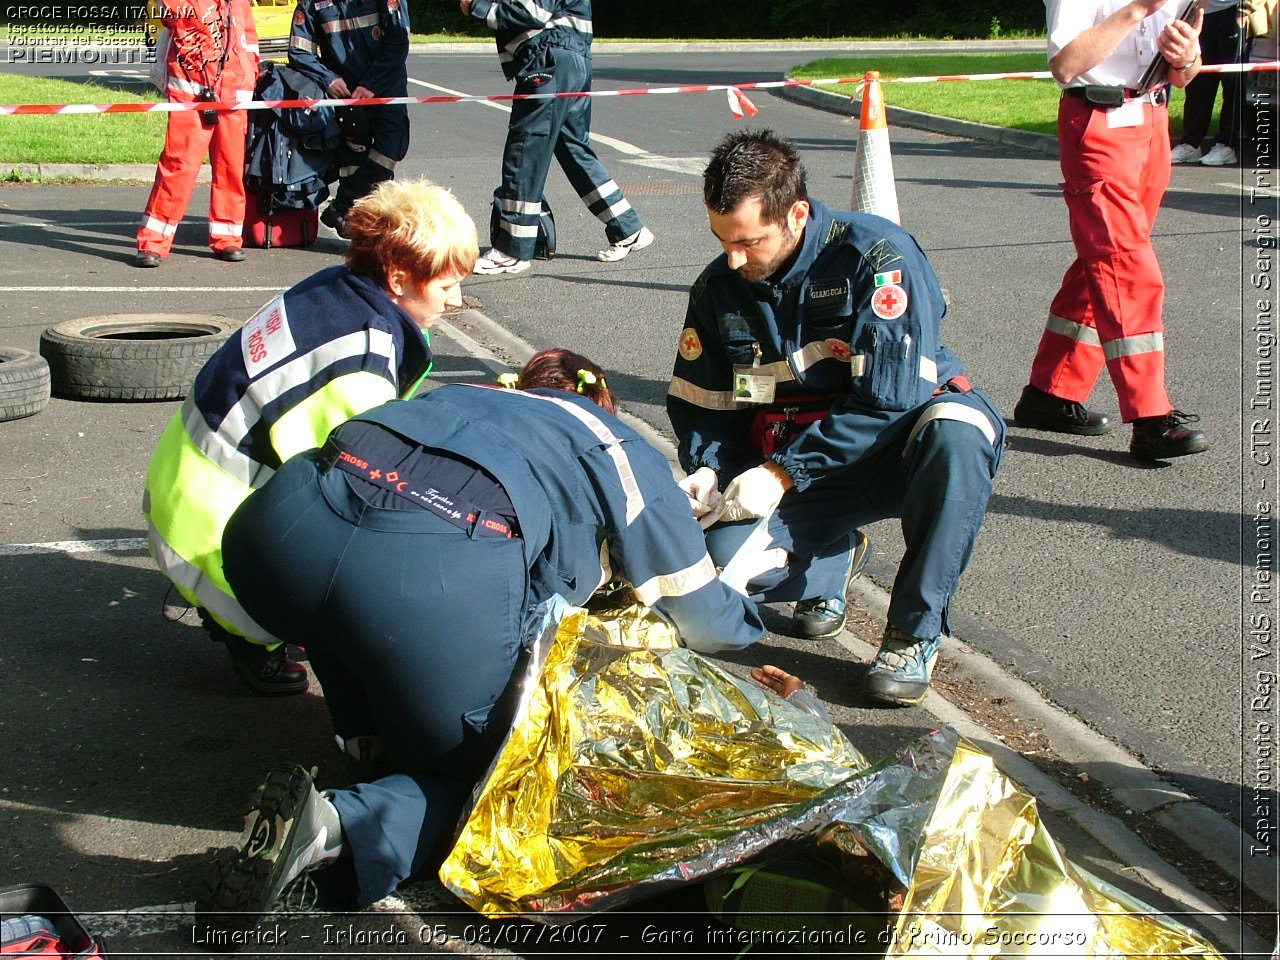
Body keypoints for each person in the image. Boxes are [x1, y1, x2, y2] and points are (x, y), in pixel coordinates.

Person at [198, 349, 765, 925]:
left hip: (273, 536)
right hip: (422, 581)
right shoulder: (616, 444)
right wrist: (744, 598)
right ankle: (335, 828)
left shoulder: (461, 395)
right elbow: (705, 620)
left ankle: (363, 735)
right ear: (602, 402)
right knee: (498, 784)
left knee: (345, 603)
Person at [668, 130, 1004, 708]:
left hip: (897, 450)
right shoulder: (718, 287)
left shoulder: (878, 259)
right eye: (723, 240)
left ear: (797, 214)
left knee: (959, 431)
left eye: (750, 241)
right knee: (721, 571)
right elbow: (704, 402)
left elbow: (887, 401)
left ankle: (912, 633)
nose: (734, 258)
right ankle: (832, 557)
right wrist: (709, 472)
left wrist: (781, 473)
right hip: (801, 467)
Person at [142, 178, 474, 696]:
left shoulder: (334, 288)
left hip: (184, 490)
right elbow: (358, 490)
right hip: (204, 530)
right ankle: (250, 631)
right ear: (399, 276)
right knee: (358, 578)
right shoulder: (356, 362)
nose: (456, 301)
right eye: (446, 285)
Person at [1012, 0, 1210, 462]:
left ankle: (1050, 392)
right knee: (1125, 267)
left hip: (1152, 122)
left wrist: (1187, 57)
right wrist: (1139, 8)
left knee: (1101, 262)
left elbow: (1184, 73)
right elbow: (1065, 65)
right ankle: (1149, 418)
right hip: (1098, 124)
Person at [460, 0, 654, 275]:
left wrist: (478, 7)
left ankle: (513, 250)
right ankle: (628, 226)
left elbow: (533, 11)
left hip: (548, 57)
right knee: (572, 146)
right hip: (568, 57)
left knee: (525, 148)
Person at [134, 0, 258, 268]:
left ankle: (228, 238)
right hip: (191, 90)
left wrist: (250, 74)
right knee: (178, 166)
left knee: (231, 168)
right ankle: (153, 241)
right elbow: (171, 15)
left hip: (233, 91)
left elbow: (248, 35)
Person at [287, 0, 411, 238]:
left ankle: (340, 207)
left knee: (391, 148)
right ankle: (361, 227)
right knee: (352, 159)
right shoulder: (312, 3)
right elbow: (299, 51)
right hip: (344, 93)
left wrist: (371, 84)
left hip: (385, 87)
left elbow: (398, 43)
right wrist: (328, 80)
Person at [1170, 0, 1244, 167]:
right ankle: (1191, 144)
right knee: (1197, 80)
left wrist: (1245, 10)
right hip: (1201, 11)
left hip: (1234, 10)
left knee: (1232, 82)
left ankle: (1227, 145)